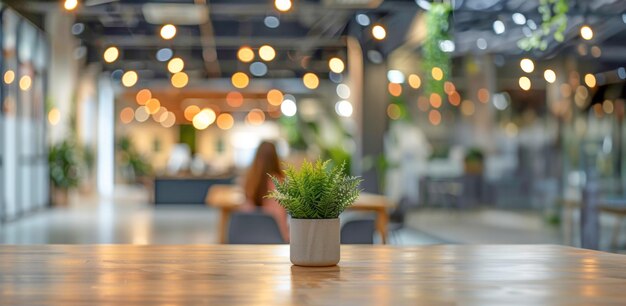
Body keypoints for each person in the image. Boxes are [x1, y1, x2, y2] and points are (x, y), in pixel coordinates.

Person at [242, 141, 289, 242]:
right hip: (275, 238)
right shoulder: (278, 182)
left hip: (248, 236)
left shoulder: (250, 181)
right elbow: (278, 217)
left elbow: (246, 213)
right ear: (275, 158)